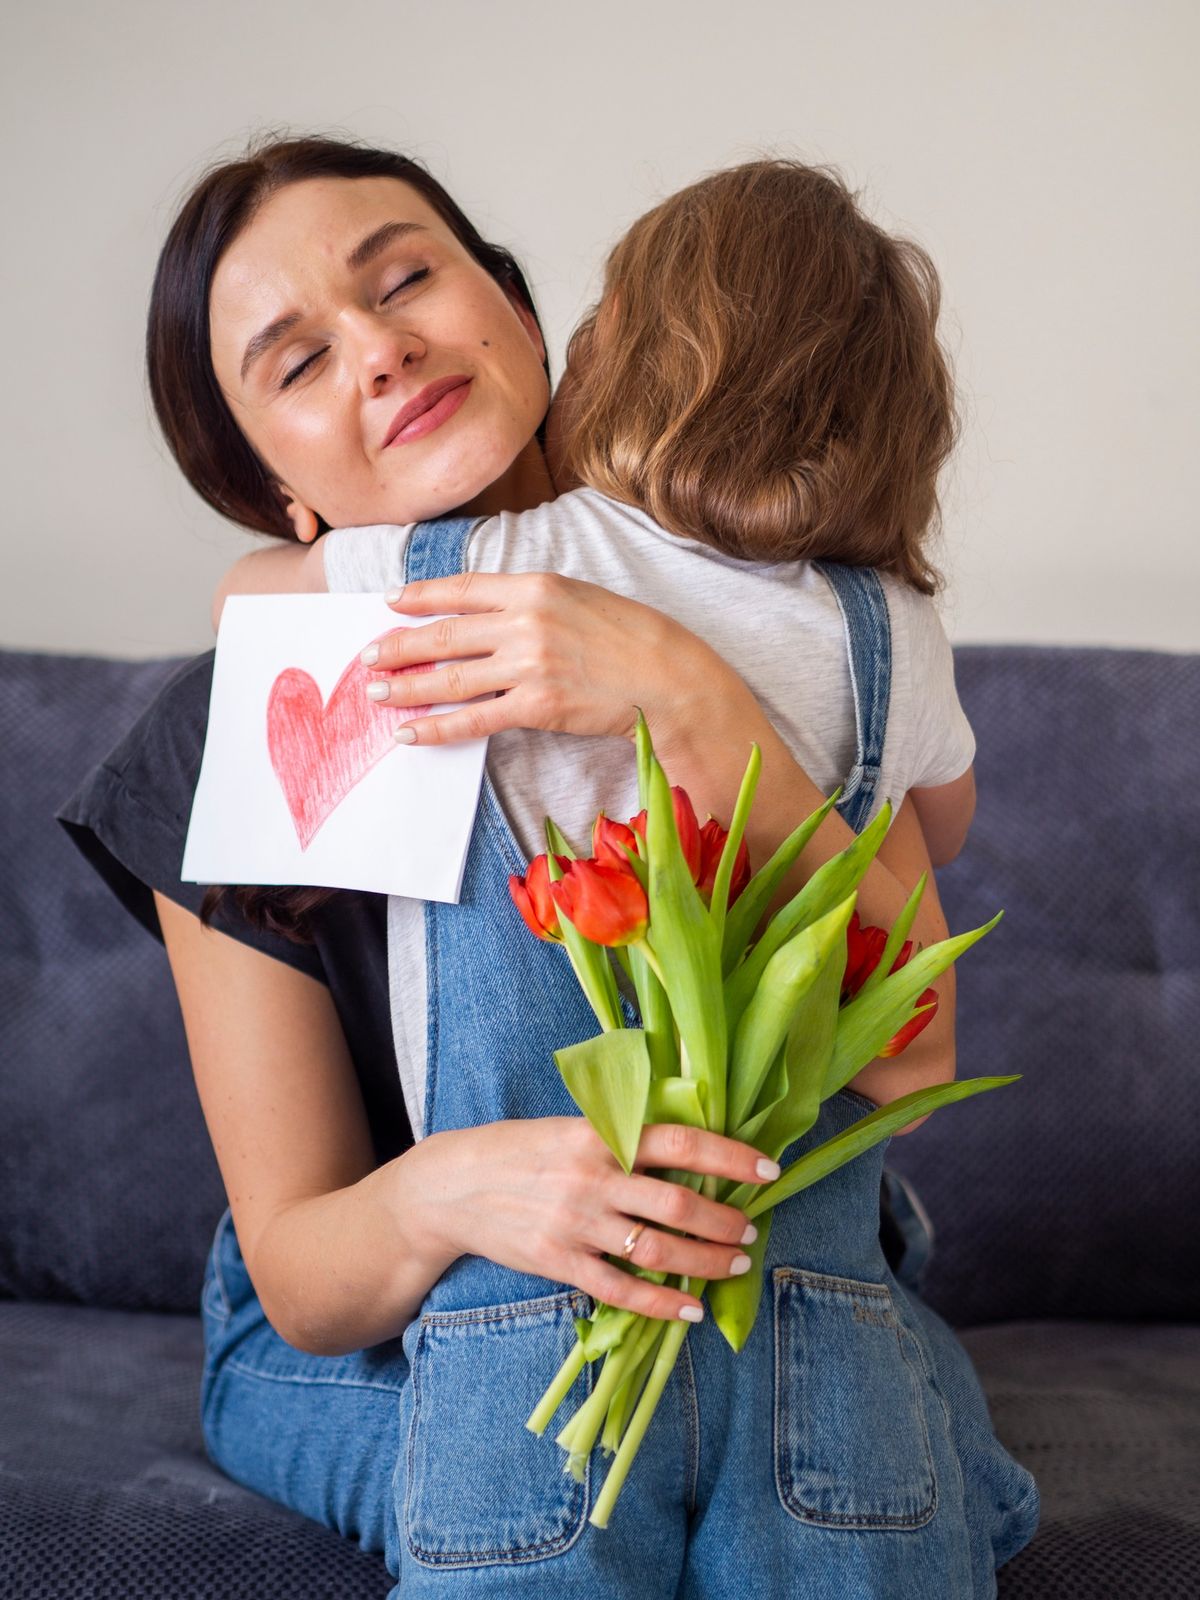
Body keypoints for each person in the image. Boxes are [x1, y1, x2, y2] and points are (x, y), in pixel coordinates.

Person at [57, 136, 1037, 1596]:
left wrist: (687, 697)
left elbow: (911, 1043)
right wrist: (470, 1187)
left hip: (746, 1281)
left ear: (526, 319)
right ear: (277, 496)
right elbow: (308, 1282)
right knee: (589, 1482)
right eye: (298, 362)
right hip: (395, 1297)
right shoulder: (252, 723)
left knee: (802, 1449)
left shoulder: (762, 611)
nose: (381, 351)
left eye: (406, 281)